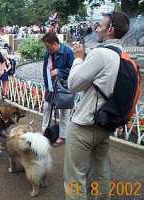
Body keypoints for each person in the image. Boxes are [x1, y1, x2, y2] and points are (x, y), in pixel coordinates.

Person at [64, 11, 130, 199]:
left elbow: (73, 84)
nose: (96, 28)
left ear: (110, 29)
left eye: (100, 25)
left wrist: (78, 57)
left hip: (85, 126)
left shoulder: (101, 54)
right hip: (106, 123)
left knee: (75, 177)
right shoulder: (123, 56)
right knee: (101, 170)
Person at [41, 32, 74, 146]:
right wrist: (47, 87)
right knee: (46, 107)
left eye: (48, 47)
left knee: (64, 111)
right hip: (51, 87)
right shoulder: (48, 54)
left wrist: (59, 71)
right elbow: (45, 71)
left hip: (63, 87)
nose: (47, 49)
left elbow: (74, 70)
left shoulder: (68, 52)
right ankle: (45, 132)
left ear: (55, 43)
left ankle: (63, 137)